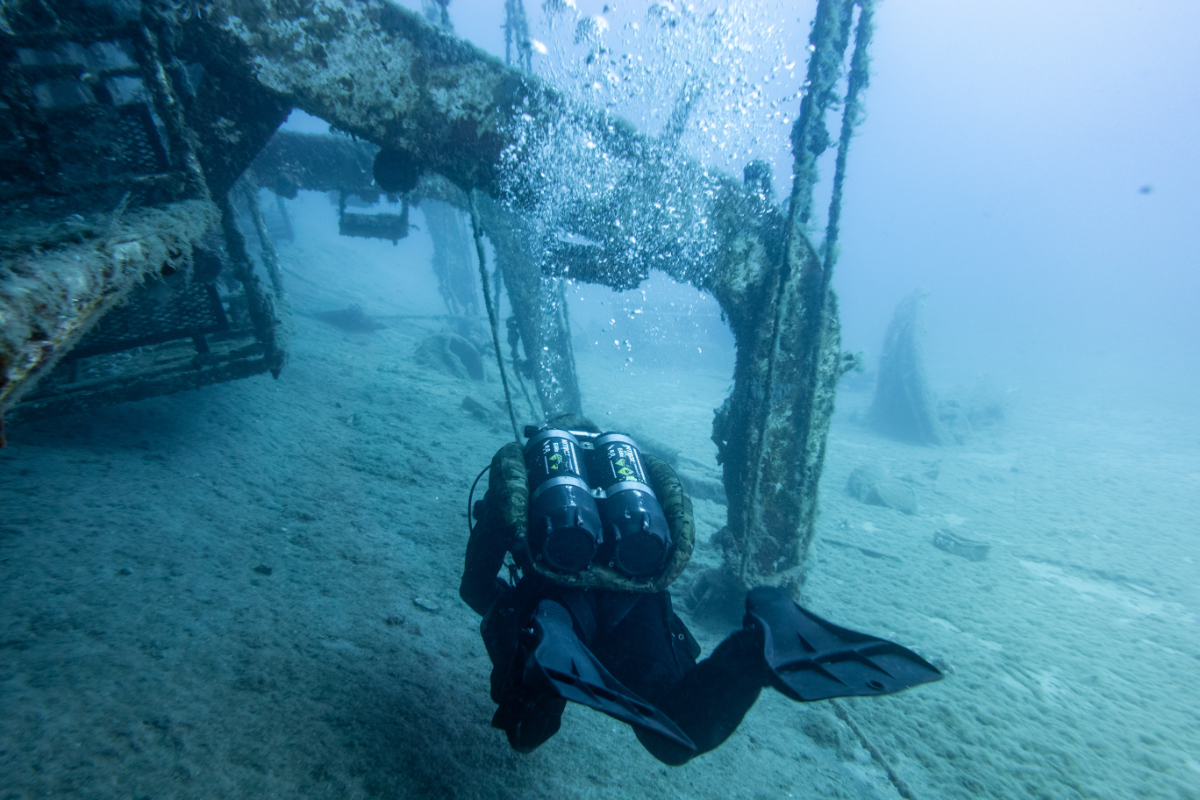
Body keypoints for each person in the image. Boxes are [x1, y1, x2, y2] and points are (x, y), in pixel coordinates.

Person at [460, 414, 940, 766]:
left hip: (553, 606)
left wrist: (509, 610)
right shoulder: (631, 484)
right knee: (674, 736)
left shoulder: (520, 481)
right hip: (636, 608)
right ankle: (757, 644)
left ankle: (554, 637)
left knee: (525, 731)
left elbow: (474, 585)